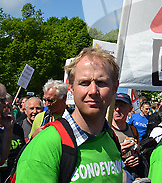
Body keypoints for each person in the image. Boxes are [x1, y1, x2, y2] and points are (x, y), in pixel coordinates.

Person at [15, 47, 125, 182]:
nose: (93, 91)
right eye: (84, 83)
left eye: (101, 83)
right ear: (71, 87)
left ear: (115, 88)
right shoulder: (45, 145)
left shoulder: (111, 138)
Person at [111, 93, 146, 180]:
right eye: (115, 105)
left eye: (122, 105)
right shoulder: (106, 131)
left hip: (132, 175)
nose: (117, 109)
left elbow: (137, 151)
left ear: (130, 109)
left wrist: (137, 158)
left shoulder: (133, 130)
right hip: (115, 176)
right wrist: (119, 156)